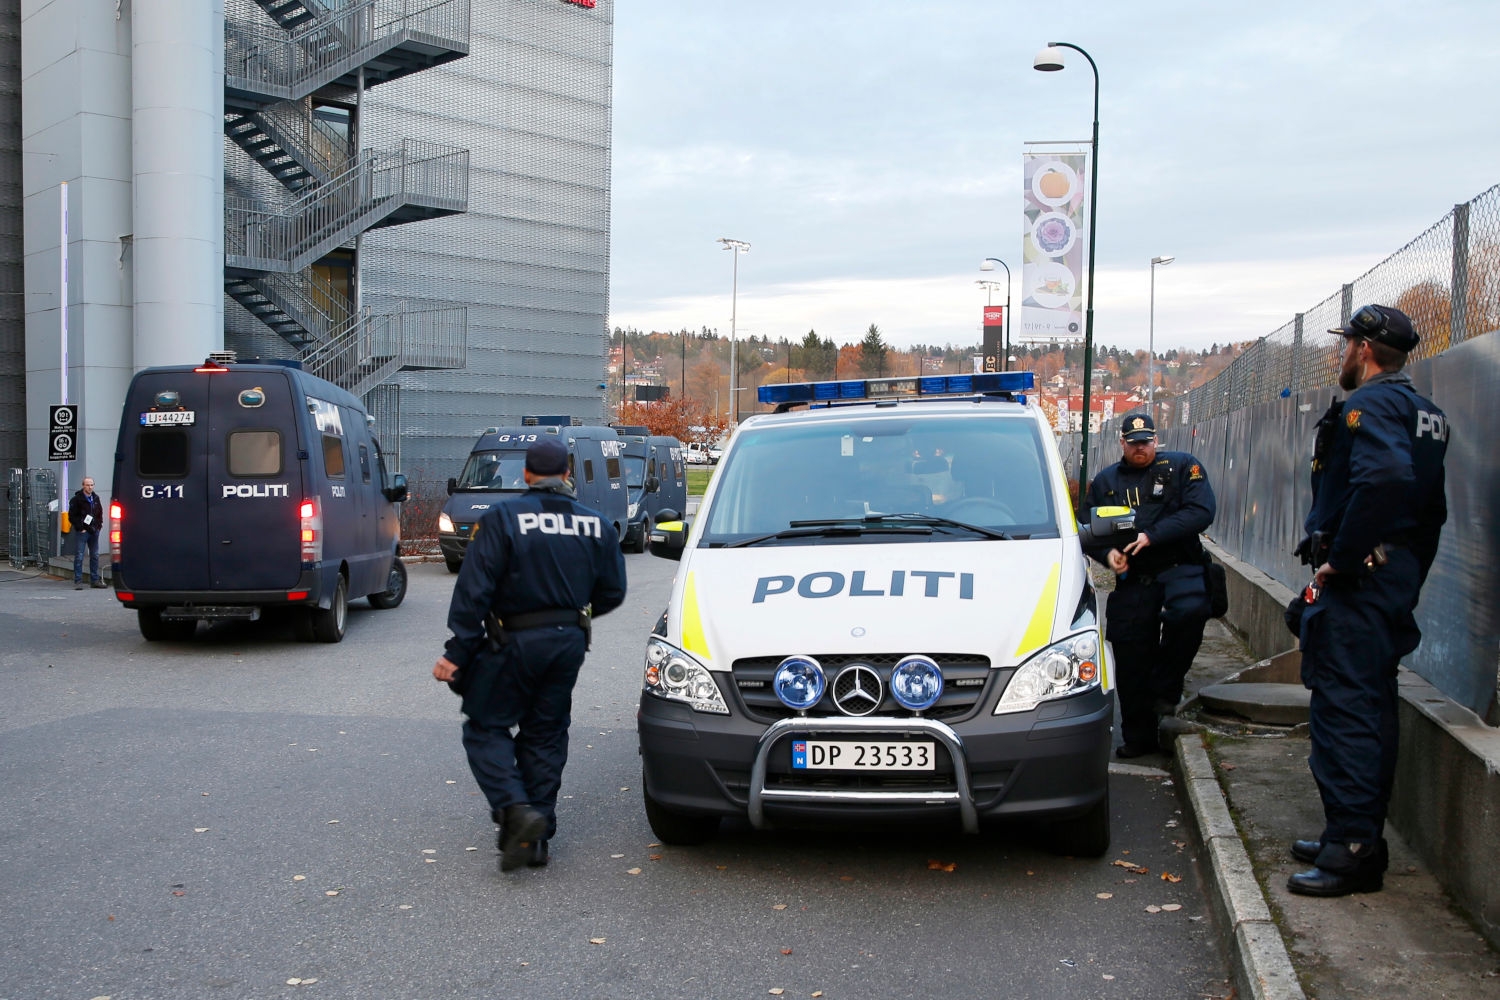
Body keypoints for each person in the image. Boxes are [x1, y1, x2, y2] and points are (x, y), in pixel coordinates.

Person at [1287, 304, 1448, 898]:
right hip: (1391, 583)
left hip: (1361, 586)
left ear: (1364, 349)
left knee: (1345, 713)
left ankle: (1350, 851)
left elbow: (1384, 479)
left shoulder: (1370, 405)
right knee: (1373, 708)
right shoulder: (1426, 413)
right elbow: (1431, 511)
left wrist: (1344, 560)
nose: (1340, 353)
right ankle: (1354, 838)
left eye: (1346, 343)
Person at [432, 437, 627, 873]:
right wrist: (575, 611)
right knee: (545, 734)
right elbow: (613, 591)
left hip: (513, 641)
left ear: (525, 475)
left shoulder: (502, 519)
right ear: (568, 475)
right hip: (568, 643)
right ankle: (535, 837)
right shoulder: (595, 524)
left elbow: (473, 591)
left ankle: (515, 809)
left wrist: (457, 651)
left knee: (486, 726)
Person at [1082, 412, 1217, 758]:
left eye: (1146, 442)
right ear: (1122, 443)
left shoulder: (1184, 468)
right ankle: (1139, 737)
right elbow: (1086, 529)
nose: (1140, 448)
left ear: (1156, 441)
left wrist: (1152, 536)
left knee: (1188, 615)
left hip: (1179, 567)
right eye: (1133, 443)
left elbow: (1201, 511)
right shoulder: (1106, 481)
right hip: (1134, 577)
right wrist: (1109, 555)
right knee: (1130, 655)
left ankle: (1166, 689)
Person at [69, 476, 106, 590]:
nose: (90, 487)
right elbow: (72, 516)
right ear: (83, 486)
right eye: (87, 485)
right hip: (83, 531)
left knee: (94, 555)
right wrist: (80, 528)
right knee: (79, 555)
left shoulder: (95, 498)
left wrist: (99, 525)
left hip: (94, 530)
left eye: (91, 485)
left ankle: (94, 580)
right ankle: (78, 580)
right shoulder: (76, 499)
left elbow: (100, 513)